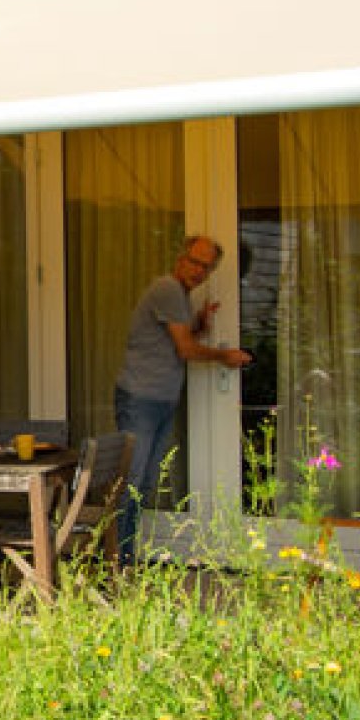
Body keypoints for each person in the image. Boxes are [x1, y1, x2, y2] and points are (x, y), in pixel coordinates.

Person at [113, 235, 252, 559]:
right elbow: (185, 349)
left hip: (158, 400)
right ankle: (117, 560)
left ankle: (125, 555)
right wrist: (224, 356)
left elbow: (177, 340)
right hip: (141, 399)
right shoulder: (168, 288)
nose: (198, 271)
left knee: (144, 481)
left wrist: (199, 324)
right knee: (132, 482)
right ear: (181, 259)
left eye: (206, 267)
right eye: (194, 262)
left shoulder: (179, 297)